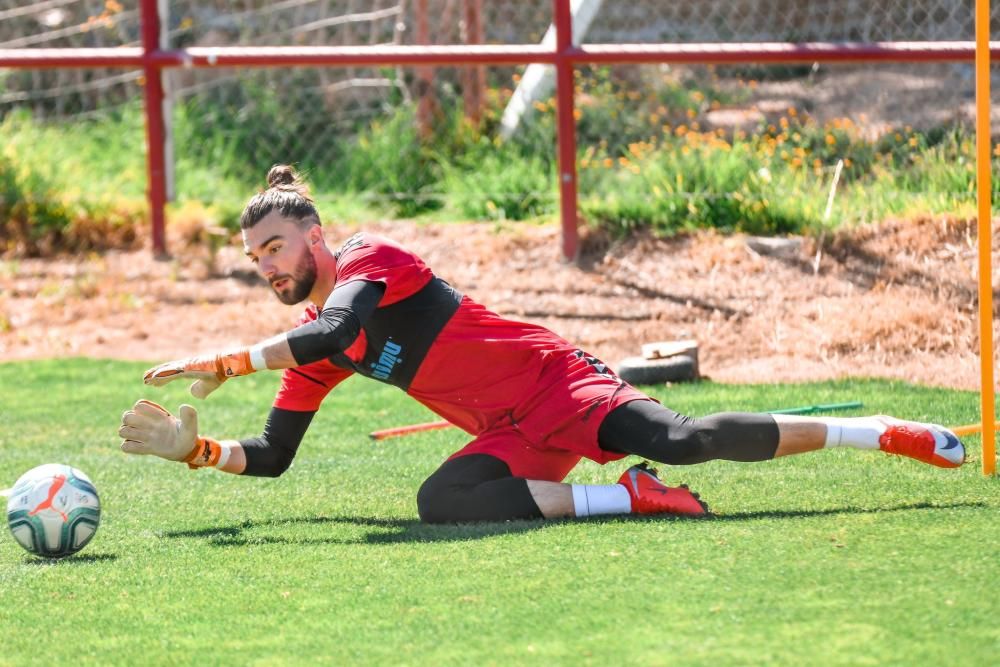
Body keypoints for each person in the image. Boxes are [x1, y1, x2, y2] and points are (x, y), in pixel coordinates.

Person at [118, 165, 966, 523]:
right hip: (510, 432)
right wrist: (194, 450)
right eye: (254, 257)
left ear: (315, 236)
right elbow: (271, 454)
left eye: (275, 247)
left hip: (555, 379)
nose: (267, 265)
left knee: (686, 440)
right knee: (440, 506)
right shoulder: (310, 341)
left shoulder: (370, 260)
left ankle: (883, 430)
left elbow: (342, 327)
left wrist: (229, 360)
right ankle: (631, 500)